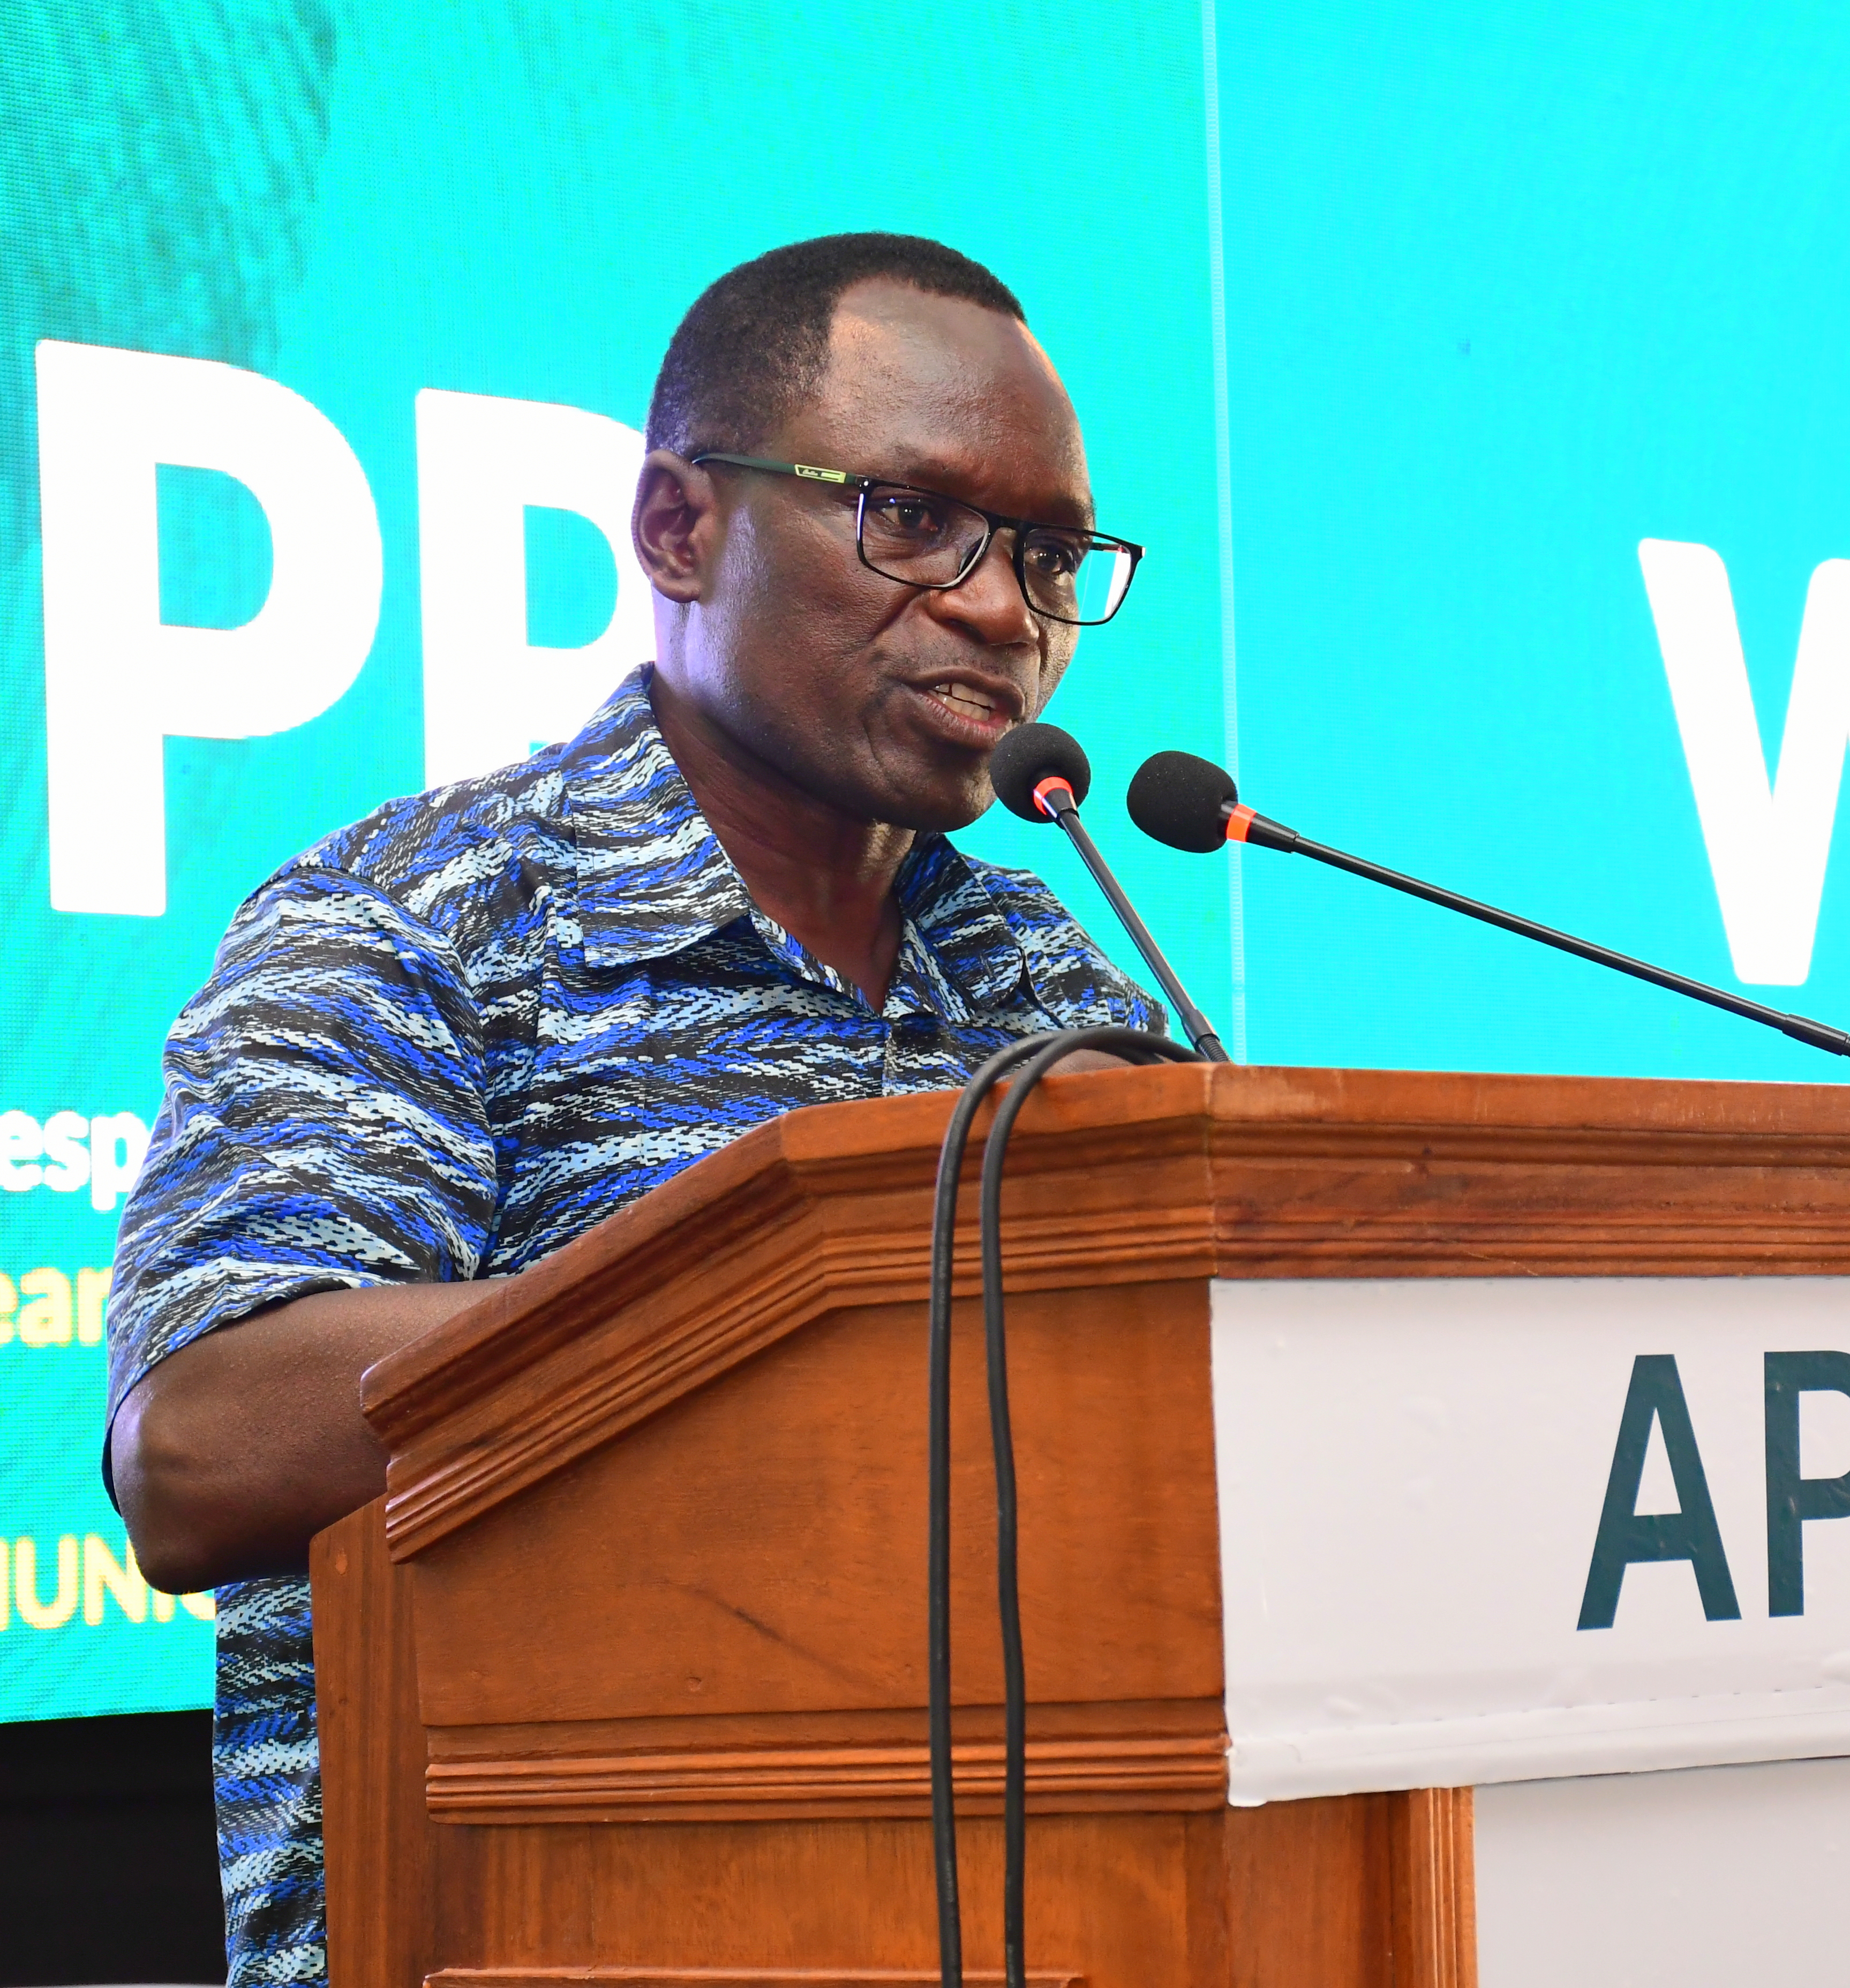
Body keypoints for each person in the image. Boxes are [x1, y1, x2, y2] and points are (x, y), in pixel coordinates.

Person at [101, 233, 1164, 1988]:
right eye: (910, 516)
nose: (999, 608)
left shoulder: (1056, 992)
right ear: (681, 529)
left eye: (1050, 554)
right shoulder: (418, 917)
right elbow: (204, 1445)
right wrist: (814, 1294)